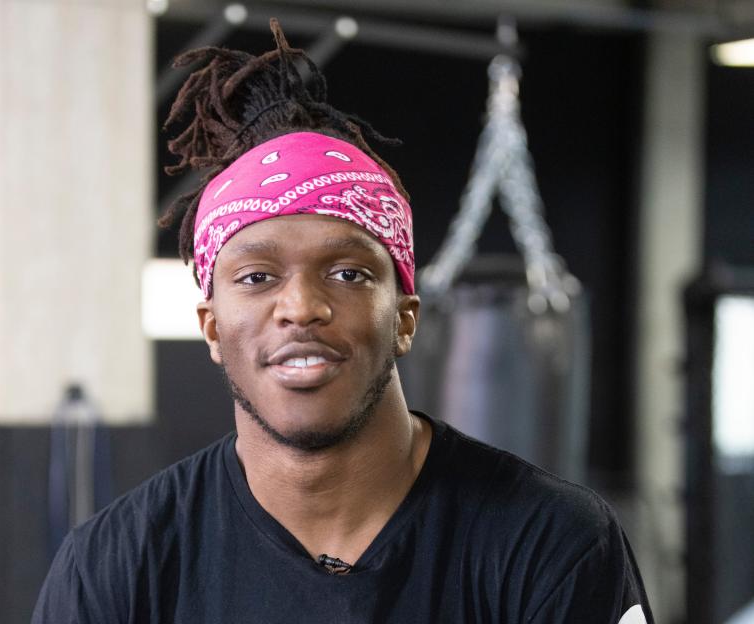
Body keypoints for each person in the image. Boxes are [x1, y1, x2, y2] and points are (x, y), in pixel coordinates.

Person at [32, 20, 654, 624]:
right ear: (213, 327)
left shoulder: (553, 543)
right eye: (257, 277)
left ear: (405, 319)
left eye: (348, 273)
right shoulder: (114, 566)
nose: (301, 306)